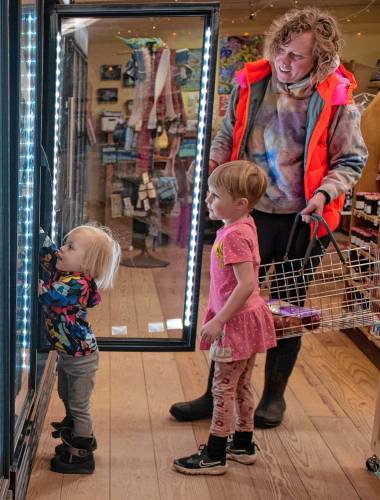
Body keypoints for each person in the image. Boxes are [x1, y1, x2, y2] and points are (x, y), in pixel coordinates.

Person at [170, 7, 368, 428]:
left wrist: (324, 193)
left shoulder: (336, 98)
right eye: (281, 49)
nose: (285, 60)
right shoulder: (253, 83)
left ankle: (273, 398)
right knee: (231, 302)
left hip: (304, 219)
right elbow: (227, 133)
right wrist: (212, 167)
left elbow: (352, 160)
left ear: (321, 58)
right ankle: (215, 394)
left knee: (288, 308)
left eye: (297, 55)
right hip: (248, 214)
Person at [173, 161, 276, 475]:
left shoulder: (232, 236)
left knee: (223, 388)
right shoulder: (244, 224)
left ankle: (215, 454)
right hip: (250, 319)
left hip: (234, 323)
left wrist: (219, 321)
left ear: (240, 203)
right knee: (242, 384)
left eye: (215, 195)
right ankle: (243, 443)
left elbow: (246, 284)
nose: (208, 201)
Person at [38, 224, 121, 474]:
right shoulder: (68, 269)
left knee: (79, 405)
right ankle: (75, 434)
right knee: (66, 395)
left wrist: (27, 283)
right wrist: (34, 228)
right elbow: (50, 253)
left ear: (87, 265)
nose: (62, 249)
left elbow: (48, 295)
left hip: (81, 358)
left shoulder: (78, 284)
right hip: (68, 355)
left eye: (70, 247)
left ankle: (82, 454)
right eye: (65, 243)